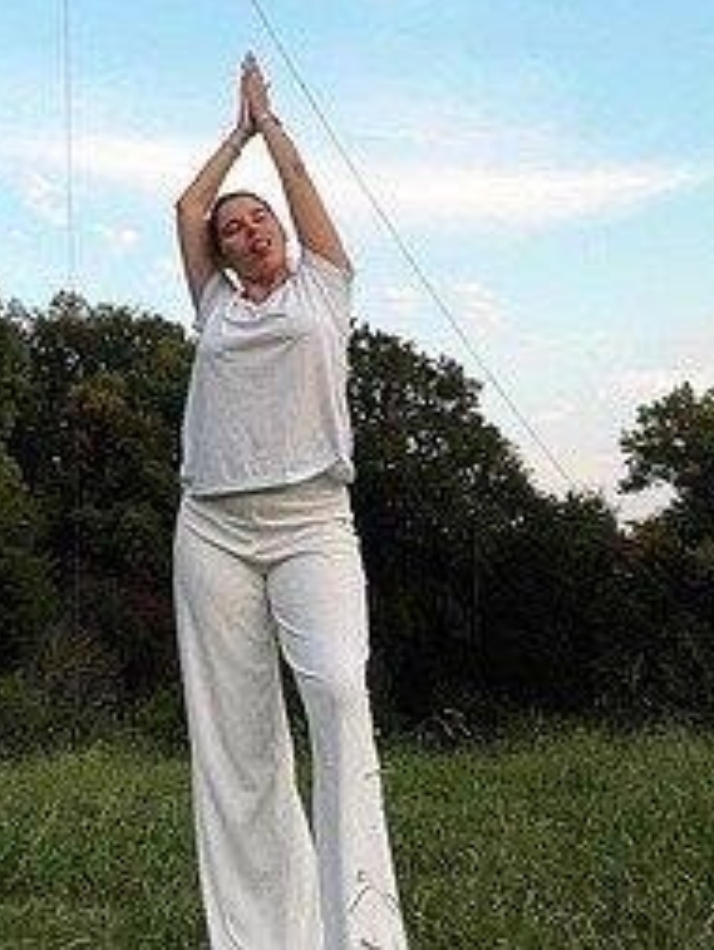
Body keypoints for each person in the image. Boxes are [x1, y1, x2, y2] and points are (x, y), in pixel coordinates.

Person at [172, 54, 409, 950]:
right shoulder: (215, 309)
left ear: (282, 227)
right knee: (235, 738)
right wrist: (228, 139)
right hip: (214, 527)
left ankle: (362, 934)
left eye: (258, 216)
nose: (245, 229)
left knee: (340, 694)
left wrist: (268, 131)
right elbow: (187, 209)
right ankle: (261, 938)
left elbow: (297, 188)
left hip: (312, 520)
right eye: (233, 229)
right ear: (222, 253)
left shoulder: (325, 285)